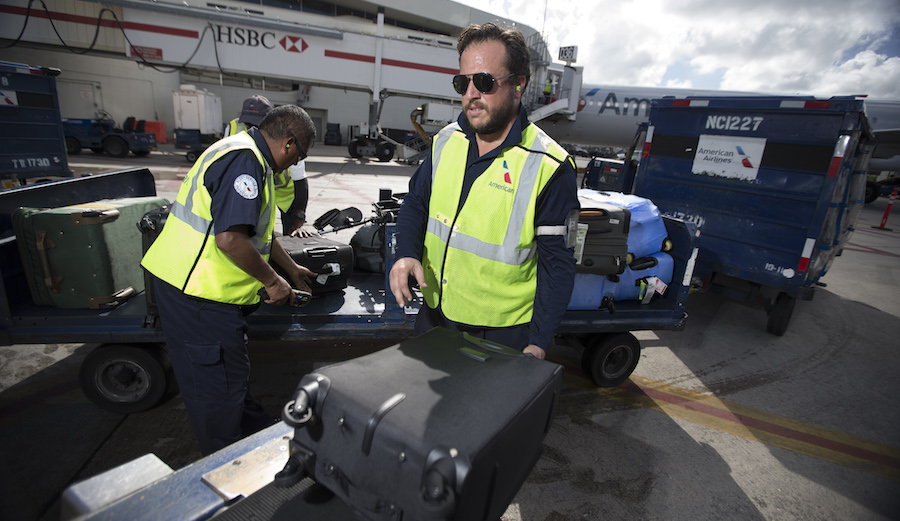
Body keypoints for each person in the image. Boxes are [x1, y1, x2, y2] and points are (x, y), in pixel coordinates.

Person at [389, 23, 579, 360]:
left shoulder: (550, 167)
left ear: (520, 83)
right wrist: (406, 252)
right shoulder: (446, 141)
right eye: (463, 83)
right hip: (435, 316)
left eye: (485, 82)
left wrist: (539, 341)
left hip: (500, 338)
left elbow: (557, 265)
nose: (471, 94)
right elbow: (416, 203)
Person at [142, 105, 317, 455]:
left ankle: (257, 438)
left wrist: (292, 268)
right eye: (300, 156)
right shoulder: (246, 163)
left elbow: (254, 232)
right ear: (289, 143)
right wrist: (273, 282)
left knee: (225, 379)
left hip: (191, 288)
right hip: (198, 295)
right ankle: (226, 466)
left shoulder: (244, 150)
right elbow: (230, 240)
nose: (295, 164)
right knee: (216, 393)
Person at [226, 94, 312, 237]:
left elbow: (300, 180)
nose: (252, 129)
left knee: (289, 235)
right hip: (254, 186)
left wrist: (299, 217)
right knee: (253, 231)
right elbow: (232, 241)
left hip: (285, 194)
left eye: (257, 125)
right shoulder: (234, 130)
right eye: (248, 124)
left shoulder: (288, 139)